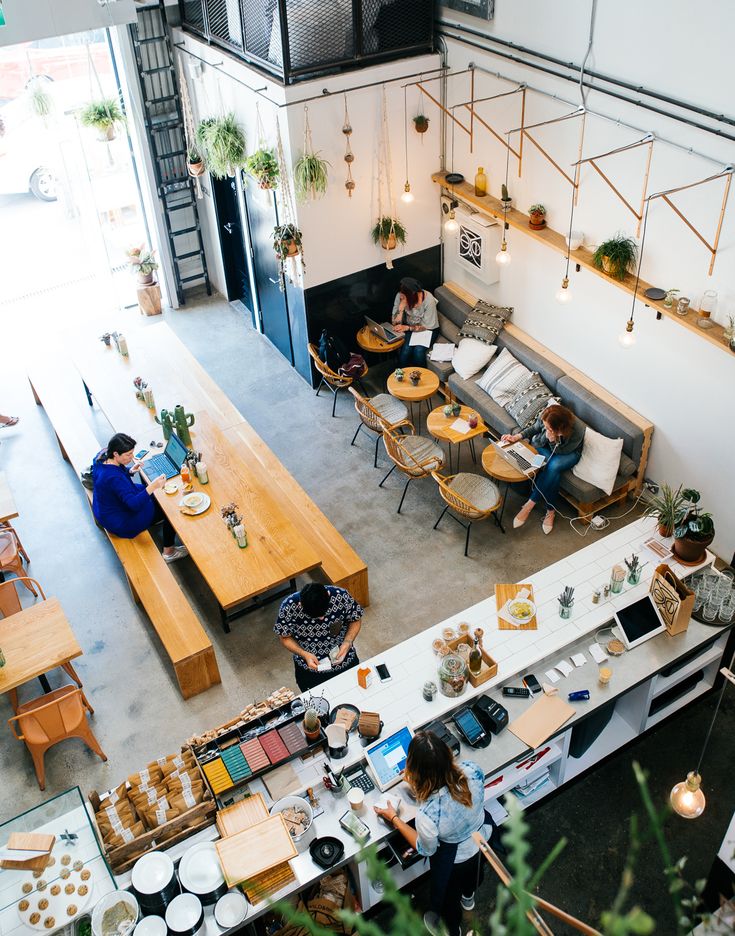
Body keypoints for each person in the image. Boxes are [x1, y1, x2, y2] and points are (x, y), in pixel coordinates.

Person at [374, 730, 496, 936]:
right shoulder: (473, 771)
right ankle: (468, 899)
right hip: (483, 840)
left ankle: (452, 929)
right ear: (447, 754)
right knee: (472, 878)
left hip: (454, 862)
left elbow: (426, 849)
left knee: (449, 900)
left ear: (415, 770)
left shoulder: (428, 815)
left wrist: (394, 819)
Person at [92, 432, 188, 562]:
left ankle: (154, 516)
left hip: (105, 509)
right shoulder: (113, 478)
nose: (131, 458)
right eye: (128, 455)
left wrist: (130, 471)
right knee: (169, 508)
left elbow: (116, 474)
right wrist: (153, 486)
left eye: (132, 453)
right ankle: (169, 552)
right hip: (121, 521)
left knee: (149, 493)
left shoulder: (102, 457)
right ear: (115, 453)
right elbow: (133, 504)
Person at [501, 402, 584, 535]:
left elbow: (561, 451)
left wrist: (552, 440)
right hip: (546, 446)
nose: (544, 428)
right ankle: (551, 511)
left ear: (558, 428)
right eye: (545, 425)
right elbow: (534, 428)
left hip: (568, 453)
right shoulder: (546, 415)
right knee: (552, 472)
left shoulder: (577, 430)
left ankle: (528, 506)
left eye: (548, 428)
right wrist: (516, 437)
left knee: (554, 466)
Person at [274, 582, 362, 692]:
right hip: (310, 671)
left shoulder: (341, 595)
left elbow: (355, 619)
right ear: (300, 605)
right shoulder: (289, 606)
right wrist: (304, 654)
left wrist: (348, 642)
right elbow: (284, 637)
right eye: (316, 616)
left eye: (324, 613)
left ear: (329, 595)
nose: (321, 618)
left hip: (345, 662)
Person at [391, 276, 439, 368]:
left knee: (418, 351)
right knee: (405, 350)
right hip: (410, 327)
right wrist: (400, 310)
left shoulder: (429, 300)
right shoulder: (400, 296)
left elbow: (427, 326)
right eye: (400, 293)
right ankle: (400, 375)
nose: (401, 296)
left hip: (428, 329)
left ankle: (422, 376)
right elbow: (394, 323)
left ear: (412, 295)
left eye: (404, 295)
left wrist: (408, 328)